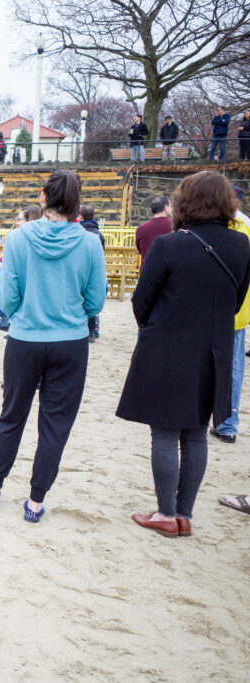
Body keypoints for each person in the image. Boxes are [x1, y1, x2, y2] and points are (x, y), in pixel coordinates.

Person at [117, 173, 250, 537]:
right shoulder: (241, 245)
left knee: (164, 433)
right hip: (214, 350)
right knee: (195, 434)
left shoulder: (169, 245)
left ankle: (165, 513)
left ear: (186, 202)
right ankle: (184, 514)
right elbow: (235, 301)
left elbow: (142, 300)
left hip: (170, 346)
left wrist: (155, 327)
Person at [0, 170, 106, 523]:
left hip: (26, 338)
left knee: (12, 414)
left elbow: (8, 298)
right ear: (76, 204)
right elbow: (96, 302)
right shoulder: (90, 243)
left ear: (42, 198)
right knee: (55, 423)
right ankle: (35, 500)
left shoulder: (18, 239)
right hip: (70, 341)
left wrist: (28, 314)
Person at [212, 185, 250, 445]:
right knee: (233, 367)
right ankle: (227, 423)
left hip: (219, 308)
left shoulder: (229, 227)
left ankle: (223, 421)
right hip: (238, 310)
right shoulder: (245, 226)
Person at [77, 205, 105, 341]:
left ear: (80, 217)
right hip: (94, 270)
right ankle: (93, 330)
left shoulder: (79, 233)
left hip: (81, 270)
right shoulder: (99, 234)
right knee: (92, 299)